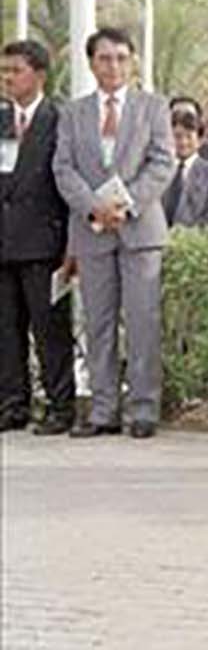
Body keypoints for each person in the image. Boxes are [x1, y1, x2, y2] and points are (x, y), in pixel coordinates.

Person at [52, 28, 176, 439]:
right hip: (91, 231)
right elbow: (62, 168)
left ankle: (143, 409)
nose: (114, 66)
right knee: (98, 323)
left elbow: (163, 162)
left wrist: (126, 204)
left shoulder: (152, 108)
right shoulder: (72, 112)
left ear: (133, 61)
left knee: (142, 322)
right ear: (91, 63)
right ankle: (103, 410)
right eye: (105, 58)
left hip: (139, 231)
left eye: (122, 57)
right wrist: (94, 206)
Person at [0, 40, 75, 435]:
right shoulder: (0, 118)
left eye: (16, 70)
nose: (8, 78)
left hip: (45, 244)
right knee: (6, 329)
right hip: (4, 242)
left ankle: (61, 406)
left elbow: (66, 183)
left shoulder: (59, 118)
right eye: (5, 71)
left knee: (50, 330)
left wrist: (70, 247)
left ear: (39, 75)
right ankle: (13, 405)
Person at [163, 109, 208, 229]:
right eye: (177, 136)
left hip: (193, 242)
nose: (183, 142)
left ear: (200, 140)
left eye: (189, 137)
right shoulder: (160, 168)